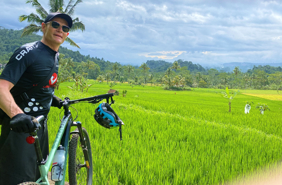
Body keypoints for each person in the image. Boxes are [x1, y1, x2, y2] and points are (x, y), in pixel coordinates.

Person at [0, 12, 73, 184]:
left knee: (37, 176)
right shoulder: (28, 52)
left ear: (67, 34)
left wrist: (52, 98)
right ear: (43, 26)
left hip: (40, 125)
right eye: (55, 25)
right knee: (16, 179)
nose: (60, 30)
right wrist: (17, 115)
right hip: (20, 128)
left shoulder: (55, 56)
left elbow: (37, 83)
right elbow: (2, 87)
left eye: (65, 28)